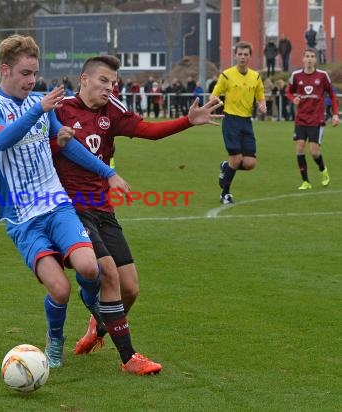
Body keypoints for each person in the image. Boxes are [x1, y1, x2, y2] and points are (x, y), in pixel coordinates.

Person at [53, 55, 223, 374]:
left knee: (130, 288)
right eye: (103, 80)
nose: (110, 87)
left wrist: (188, 120)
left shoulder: (112, 110)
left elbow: (148, 130)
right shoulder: (60, 109)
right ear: (84, 79)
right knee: (109, 274)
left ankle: (99, 326)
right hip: (69, 208)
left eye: (113, 82)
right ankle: (129, 358)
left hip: (102, 207)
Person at [0, 34, 132, 371]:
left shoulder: (38, 102)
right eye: (24, 73)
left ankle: (91, 303)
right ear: (6, 70)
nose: (31, 80)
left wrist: (107, 172)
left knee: (90, 267)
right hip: (22, 216)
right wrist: (38, 110)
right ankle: (56, 339)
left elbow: (69, 144)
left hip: (56, 204)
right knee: (59, 289)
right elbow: (2, 140)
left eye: (34, 73)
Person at [210, 41, 266, 204]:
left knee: (250, 163)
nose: (242, 57)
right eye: (240, 54)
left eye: (245, 54)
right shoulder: (226, 75)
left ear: (250, 56)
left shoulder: (255, 76)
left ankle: (225, 167)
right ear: (235, 55)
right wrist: (214, 100)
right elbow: (215, 94)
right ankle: (225, 194)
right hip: (231, 121)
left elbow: (260, 96)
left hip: (246, 122)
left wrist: (262, 105)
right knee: (236, 159)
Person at [286, 48, 339, 190]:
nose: (309, 59)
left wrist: (335, 114)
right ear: (303, 59)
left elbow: (332, 95)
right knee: (300, 148)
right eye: (307, 56)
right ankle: (306, 182)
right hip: (301, 119)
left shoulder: (322, 76)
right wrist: (293, 98)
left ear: (315, 59)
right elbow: (288, 91)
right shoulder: (296, 75)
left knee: (314, 152)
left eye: (312, 56)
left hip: (317, 119)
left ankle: (323, 170)